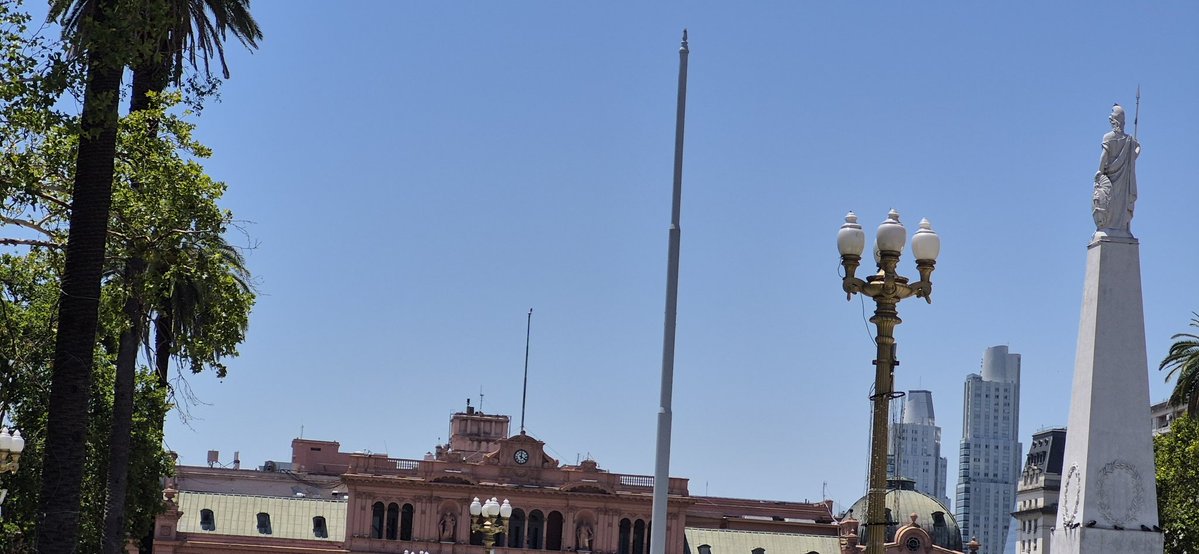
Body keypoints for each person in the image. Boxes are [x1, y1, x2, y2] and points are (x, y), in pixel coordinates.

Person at [1092, 104, 1140, 234]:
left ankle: (1111, 227)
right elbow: (1134, 155)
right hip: (1122, 180)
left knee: (1110, 203)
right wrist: (1137, 148)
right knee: (1120, 205)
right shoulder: (1129, 140)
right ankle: (1120, 229)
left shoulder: (1108, 137)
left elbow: (1104, 155)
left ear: (1115, 120)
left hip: (1111, 179)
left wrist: (1099, 171)